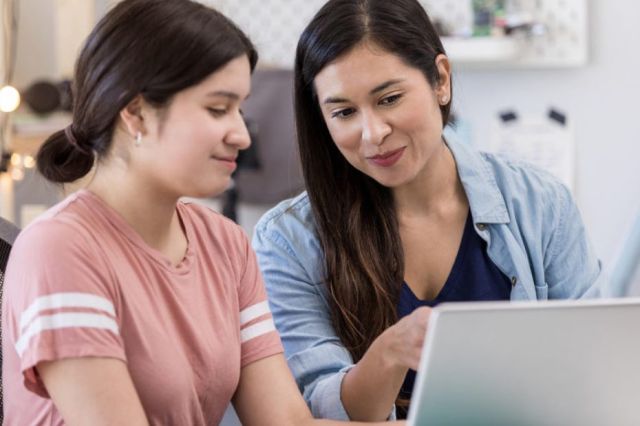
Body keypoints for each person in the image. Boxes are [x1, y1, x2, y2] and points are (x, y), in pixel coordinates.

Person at [0, 1, 403, 425]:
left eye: (239, 109)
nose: (242, 135)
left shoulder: (225, 245)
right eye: (217, 109)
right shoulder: (61, 249)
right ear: (135, 113)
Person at [252, 0, 604, 421]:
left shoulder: (541, 204)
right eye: (344, 112)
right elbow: (314, 410)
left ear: (440, 79)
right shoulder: (287, 240)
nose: (373, 133)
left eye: (390, 98)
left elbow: (591, 375)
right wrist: (391, 352)